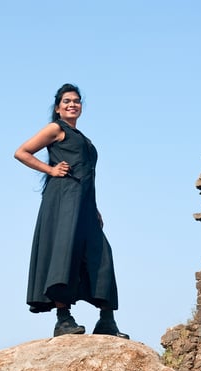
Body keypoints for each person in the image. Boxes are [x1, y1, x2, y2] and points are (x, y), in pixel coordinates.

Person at [14, 83, 128, 339]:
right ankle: (63, 319)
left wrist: (95, 208)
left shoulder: (83, 138)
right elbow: (21, 152)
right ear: (58, 108)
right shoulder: (56, 129)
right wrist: (51, 170)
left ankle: (107, 320)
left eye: (76, 101)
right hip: (62, 201)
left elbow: (89, 175)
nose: (72, 105)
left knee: (101, 254)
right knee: (63, 255)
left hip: (85, 205)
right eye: (66, 101)